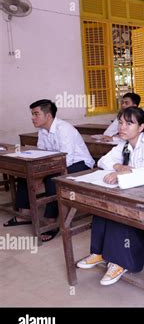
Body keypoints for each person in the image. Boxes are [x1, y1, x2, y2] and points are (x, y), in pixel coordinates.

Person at [76, 107, 144, 285]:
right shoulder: (124, 145)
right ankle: (98, 253)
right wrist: (119, 167)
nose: (123, 127)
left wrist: (130, 171)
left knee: (120, 209)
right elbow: (103, 161)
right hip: (136, 190)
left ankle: (120, 262)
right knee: (102, 204)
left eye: (129, 123)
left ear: (141, 127)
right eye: (120, 122)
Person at [4, 99, 94, 242]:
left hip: (80, 163)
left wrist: (42, 175)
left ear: (48, 116)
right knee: (25, 175)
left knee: (53, 179)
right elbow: (41, 154)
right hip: (57, 163)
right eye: (32, 114)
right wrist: (36, 174)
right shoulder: (42, 131)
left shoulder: (64, 129)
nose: (32, 118)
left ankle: (51, 221)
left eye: (36, 114)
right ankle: (25, 213)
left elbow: (67, 160)